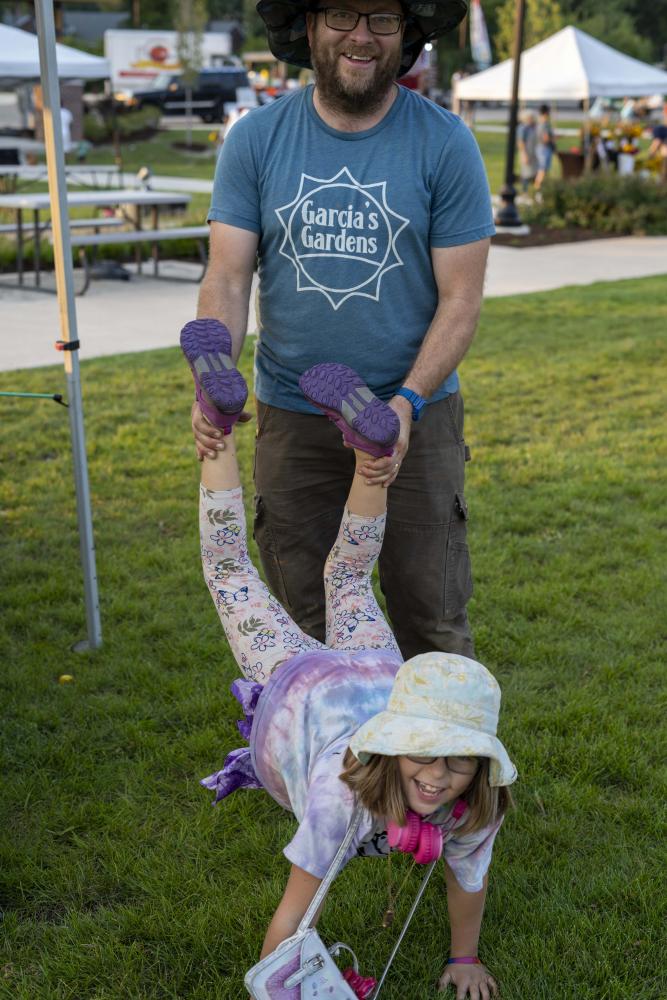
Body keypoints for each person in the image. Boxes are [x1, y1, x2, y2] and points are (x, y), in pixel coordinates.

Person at [183, 318, 517, 999]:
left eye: (458, 763)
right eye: (426, 755)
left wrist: (464, 958)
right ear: (394, 748)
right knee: (230, 569)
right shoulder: (340, 800)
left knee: (347, 577)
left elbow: (468, 875)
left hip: (380, 675)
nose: (439, 778)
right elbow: (294, 914)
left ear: (482, 768)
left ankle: (372, 459)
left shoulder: (473, 804)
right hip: (303, 685)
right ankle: (219, 430)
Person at [190, 0, 495, 662]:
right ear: (308, 27)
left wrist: (408, 401)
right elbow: (228, 279)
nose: (360, 35)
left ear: (405, 34)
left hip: (412, 416)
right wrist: (213, 377)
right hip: (293, 419)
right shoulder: (256, 138)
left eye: (382, 17)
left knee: (430, 618)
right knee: (301, 628)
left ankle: (442, 769)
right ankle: (331, 766)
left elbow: (461, 297)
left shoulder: (444, 143)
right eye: (340, 15)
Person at [534, 104, 556, 192]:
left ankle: (540, 188)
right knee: (542, 170)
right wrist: (554, 138)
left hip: (541, 148)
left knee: (543, 170)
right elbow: (546, 138)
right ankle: (537, 188)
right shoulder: (545, 124)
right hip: (544, 148)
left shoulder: (540, 123)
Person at [517, 110, 538, 192]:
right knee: (526, 173)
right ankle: (524, 191)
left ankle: (533, 191)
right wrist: (523, 154)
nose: (531, 119)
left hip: (533, 153)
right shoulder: (523, 128)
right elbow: (520, 142)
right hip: (526, 153)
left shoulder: (533, 127)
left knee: (534, 172)